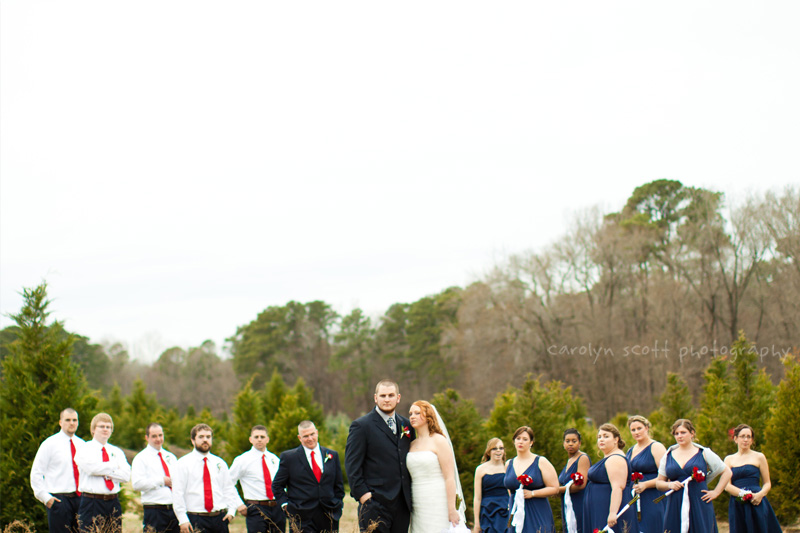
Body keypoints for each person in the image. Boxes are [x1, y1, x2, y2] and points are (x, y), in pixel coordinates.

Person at [345, 379, 413, 533]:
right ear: (375, 398)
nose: (387, 399)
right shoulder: (361, 426)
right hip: (375, 505)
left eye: (391, 395)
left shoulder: (407, 425)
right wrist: (364, 496)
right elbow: (352, 465)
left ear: (398, 397)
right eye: (383, 396)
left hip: (402, 506)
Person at [656, 419, 731, 533]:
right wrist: (669, 484)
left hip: (699, 501)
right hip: (675, 503)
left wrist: (716, 492)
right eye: (676, 433)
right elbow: (659, 483)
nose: (679, 436)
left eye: (683, 432)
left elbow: (727, 472)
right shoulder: (668, 455)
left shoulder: (704, 452)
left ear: (692, 433)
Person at [272, 421, 345, 533]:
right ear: (299, 438)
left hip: (329, 515)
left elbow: (338, 484)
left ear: (317, 433)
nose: (310, 438)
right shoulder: (289, 458)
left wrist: (337, 503)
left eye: (312, 434)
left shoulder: (332, 455)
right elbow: (277, 485)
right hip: (301, 517)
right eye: (305, 436)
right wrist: (286, 505)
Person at [406, 400, 466, 533]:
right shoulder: (411, 444)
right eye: (410, 413)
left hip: (438, 499)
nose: (412, 416)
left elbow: (450, 477)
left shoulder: (439, 441)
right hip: (417, 500)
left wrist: (452, 509)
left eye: (417, 413)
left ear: (428, 416)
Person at [172, 423, 242, 533]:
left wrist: (232, 510)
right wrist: (182, 519)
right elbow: (177, 493)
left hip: (219, 518)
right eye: (201, 437)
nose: (205, 440)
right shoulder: (183, 464)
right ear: (192, 440)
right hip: (195, 518)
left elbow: (228, 488)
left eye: (208, 437)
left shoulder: (219, 463)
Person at [30, 408, 85, 533]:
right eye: (68, 420)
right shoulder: (49, 444)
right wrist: (45, 497)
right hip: (59, 501)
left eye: (74, 420)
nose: (72, 423)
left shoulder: (82, 445)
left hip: (80, 500)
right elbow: (36, 472)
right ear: (60, 422)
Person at [74, 412, 131, 533]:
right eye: (101, 426)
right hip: (92, 502)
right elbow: (91, 469)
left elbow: (126, 476)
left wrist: (105, 471)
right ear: (93, 429)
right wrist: (114, 466)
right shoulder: (84, 449)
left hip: (113, 502)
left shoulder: (117, 451)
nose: (105, 429)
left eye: (108, 427)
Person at [723, 424, 782, 533]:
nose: (746, 439)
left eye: (749, 437)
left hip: (757, 501)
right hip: (738, 502)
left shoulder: (759, 457)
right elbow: (727, 485)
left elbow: (767, 483)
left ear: (752, 440)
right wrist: (743, 494)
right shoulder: (729, 459)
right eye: (742, 436)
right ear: (735, 439)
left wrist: (760, 495)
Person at [582, 423, 638, 533]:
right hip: (599, 508)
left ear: (616, 439)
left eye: (606, 436)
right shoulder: (608, 457)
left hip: (608, 508)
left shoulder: (615, 458)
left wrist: (613, 513)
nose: (601, 439)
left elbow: (618, 487)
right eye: (599, 437)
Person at [229, 425, 285, 533]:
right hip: (256, 508)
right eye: (256, 437)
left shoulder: (274, 459)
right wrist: (238, 504)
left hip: (277, 508)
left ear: (267, 439)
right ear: (250, 439)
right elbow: (228, 483)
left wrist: (284, 501)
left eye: (262, 437)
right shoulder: (242, 460)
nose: (259, 439)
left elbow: (281, 483)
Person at [503, 426, 559, 533]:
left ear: (531, 443)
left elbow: (554, 488)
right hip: (516, 513)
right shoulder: (508, 464)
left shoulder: (540, 461)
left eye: (525, 439)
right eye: (518, 438)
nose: (521, 442)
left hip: (537, 510)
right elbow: (510, 489)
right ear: (514, 441)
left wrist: (532, 493)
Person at [132, 423, 180, 533]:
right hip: (155, 511)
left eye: (160, 435)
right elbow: (137, 484)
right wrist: (161, 481)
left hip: (174, 510)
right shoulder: (141, 458)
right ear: (147, 438)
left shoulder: (171, 457)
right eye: (154, 436)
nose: (158, 439)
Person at [626, 415, 666, 533]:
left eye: (639, 428)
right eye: (633, 430)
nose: (636, 432)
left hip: (653, 496)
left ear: (647, 428)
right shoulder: (631, 450)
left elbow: (666, 476)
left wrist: (645, 485)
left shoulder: (656, 447)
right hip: (634, 496)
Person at [556, 429, 590, 533]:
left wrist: (557, 490)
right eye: (567, 441)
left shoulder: (583, 458)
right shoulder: (569, 460)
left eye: (574, 441)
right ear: (563, 443)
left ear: (579, 443)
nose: (570, 444)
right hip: (567, 503)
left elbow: (581, 485)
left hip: (579, 502)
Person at [472, 438, 508, 533]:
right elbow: (477, 498)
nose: (498, 451)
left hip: (505, 511)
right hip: (487, 511)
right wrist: (476, 523)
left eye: (501, 448)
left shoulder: (508, 468)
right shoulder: (480, 469)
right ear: (488, 452)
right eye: (494, 449)